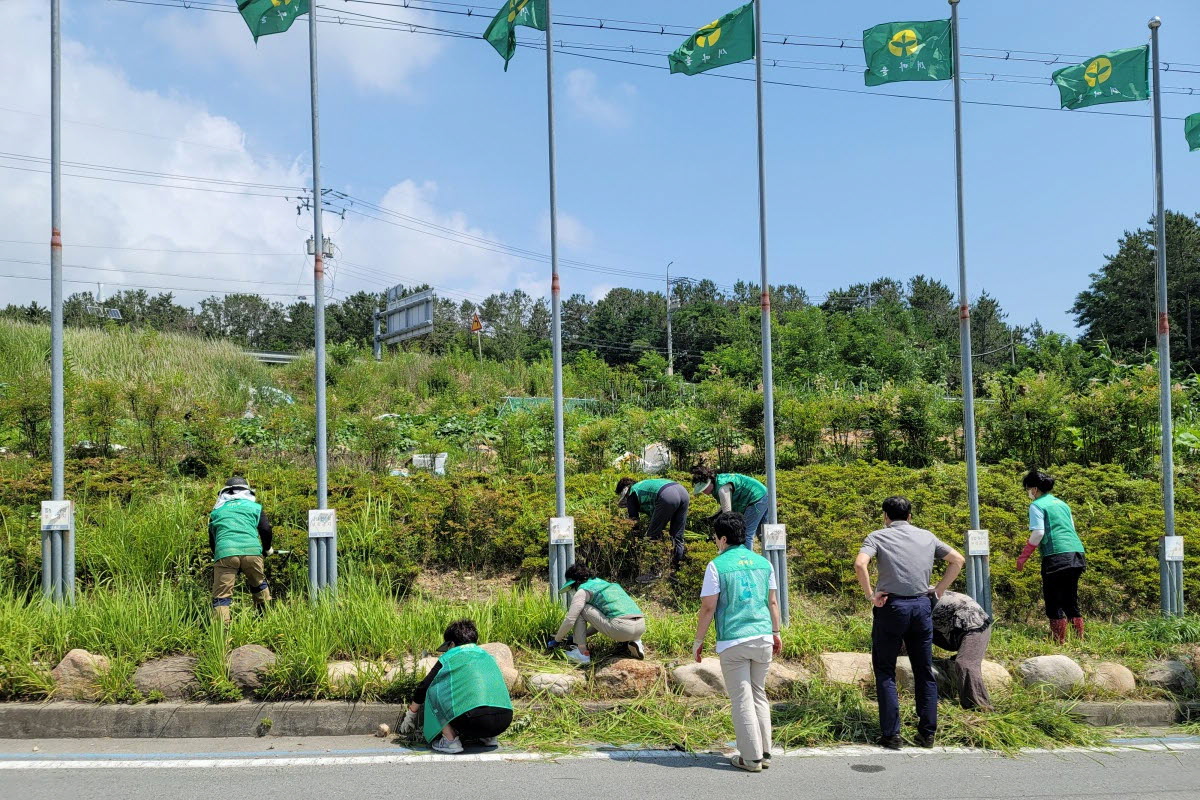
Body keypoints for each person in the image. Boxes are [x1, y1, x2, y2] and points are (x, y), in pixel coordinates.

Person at [854, 496, 965, 750]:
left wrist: (870, 594)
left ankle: (891, 735)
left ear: (885, 516)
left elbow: (860, 563)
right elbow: (957, 560)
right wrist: (938, 590)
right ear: (910, 516)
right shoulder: (927, 536)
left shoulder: (877, 536)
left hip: (891, 607)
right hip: (921, 606)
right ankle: (927, 734)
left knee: (885, 670)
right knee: (923, 670)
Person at [692, 512, 783, 773]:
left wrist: (699, 640)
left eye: (715, 539)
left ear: (722, 538)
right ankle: (764, 753)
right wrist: (776, 632)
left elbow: (708, 607)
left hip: (734, 640)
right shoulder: (764, 563)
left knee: (741, 698)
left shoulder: (717, 565)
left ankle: (750, 758)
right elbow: (773, 602)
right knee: (759, 694)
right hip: (764, 636)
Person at [398, 619, 513, 755]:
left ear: (451, 644)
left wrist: (411, 714)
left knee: (434, 690)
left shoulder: (449, 656)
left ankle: (450, 741)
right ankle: (489, 737)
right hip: (504, 720)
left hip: (473, 721)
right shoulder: (487, 656)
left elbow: (424, 687)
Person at [1018, 469, 1087, 644]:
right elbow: (1071, 528)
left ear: (1034, 489)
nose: (1028, 492)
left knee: (1053, 599)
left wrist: (1023, 556)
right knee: (1070, 598)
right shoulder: (1062, 504)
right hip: (1077, 553)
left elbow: (1038, 533)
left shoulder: (1037, 505)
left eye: (1028, 488)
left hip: (1056, 555)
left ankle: (1059, 641)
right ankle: (1078, 640)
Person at [548, 561, 646, 665]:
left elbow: (570, 620)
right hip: (640, 627)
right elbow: (600, 621)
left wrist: (557, 640)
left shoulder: (583, 590)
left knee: (580, 609)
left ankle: (581, 653)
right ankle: (636, 643)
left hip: (621, 629)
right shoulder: (606, 585)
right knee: (604, 614)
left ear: (575, 582)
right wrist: (581, 635)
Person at [208, 475, 273, 623]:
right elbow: (265, 529)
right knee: (258, 584)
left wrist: (218, 555)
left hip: (225, 552)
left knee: (222, 596)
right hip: (252, 551)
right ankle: (264, 620)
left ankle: (222, 631)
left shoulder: (216, 512)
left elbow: (213, 539)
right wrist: (267, 549)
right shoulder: (255, 507)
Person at [616, 476, 690, 582]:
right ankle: (677, 572)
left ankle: (655, 573)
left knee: (651, 536)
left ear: (624, 491)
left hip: (667, 495)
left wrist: (636, 539)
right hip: (682, 491)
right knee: (677, 536)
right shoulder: (642, 485)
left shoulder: (632, 493)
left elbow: (634, 521)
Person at [932, 590, 994, 711]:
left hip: (975, 625)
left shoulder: (914, 597)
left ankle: (980, 707)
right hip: (953, 629)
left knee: (965, 664)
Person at [691, 466, 769, 551]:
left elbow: (727, 515)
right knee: (763, 532)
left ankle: (746, 560)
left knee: (746, 534)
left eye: (704, 489)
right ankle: (770, 559)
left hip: (756, 497)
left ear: (709, 482)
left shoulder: (722, 489)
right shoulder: (718, 481)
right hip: (763, 493)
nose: (703, 492)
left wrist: (720, 535)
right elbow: (725, 507)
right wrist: (713, 517)